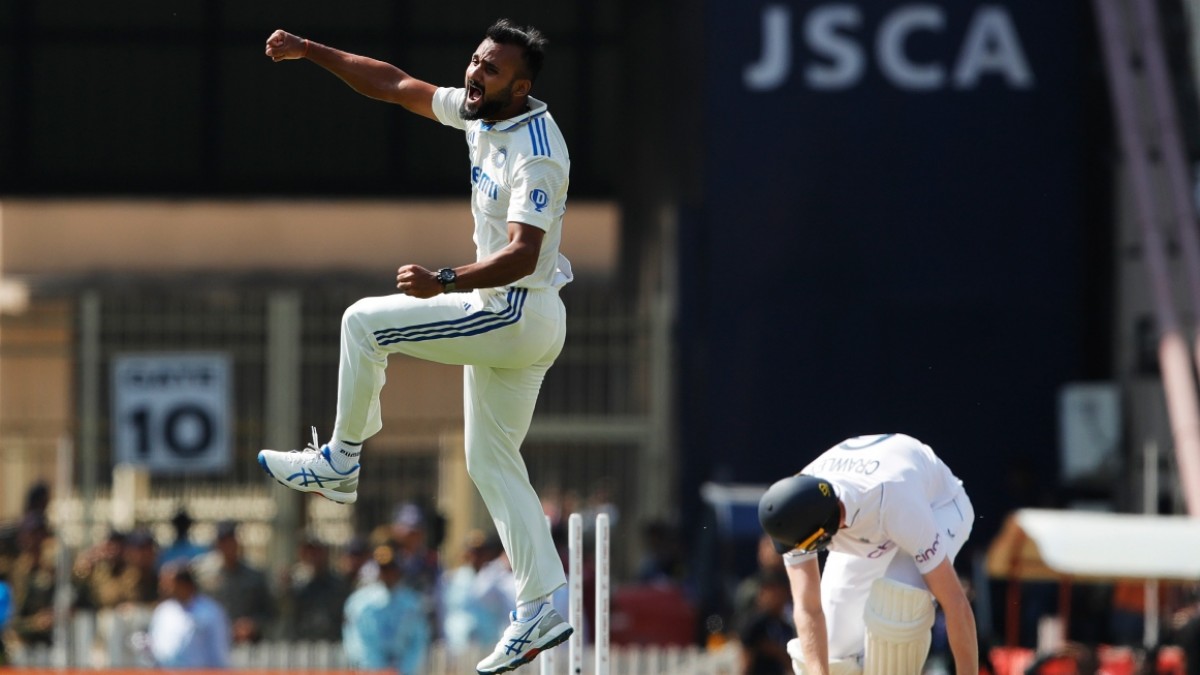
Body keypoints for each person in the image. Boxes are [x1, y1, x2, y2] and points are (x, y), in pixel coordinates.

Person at [259, 17, 574, 674]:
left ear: (520, 87)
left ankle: (340, 462)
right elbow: (397, 86)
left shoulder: (538, 148)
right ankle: (543, 601)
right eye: (476, 60)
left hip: (515, 311)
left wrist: (445, 281)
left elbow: (524, 252)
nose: (475, 73)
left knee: (364, 323)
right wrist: (310, 50)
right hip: (513, 316)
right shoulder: (479, 112)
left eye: (491, 69)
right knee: (490, 461)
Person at [757, 433, 977, 675]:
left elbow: (955, 601)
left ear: (827, 528)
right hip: (872, 524)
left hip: (939, 505)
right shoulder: (797, 511)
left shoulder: (893, 502)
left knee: (898, 606)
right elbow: (808, 607)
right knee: (831, 646)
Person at [343, 544, 430, 675]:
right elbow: (355, 638)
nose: (388, 574)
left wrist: (405, 669)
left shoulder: (412, 603)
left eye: (391, 569)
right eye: (383, 569)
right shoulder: (360, 602)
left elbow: (418, 640)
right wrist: (376, 668)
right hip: (370, 669)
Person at [192, 520, 275, 644]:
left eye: (231, 541)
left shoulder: (255, 575)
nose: (228, 546)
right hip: (210, 640)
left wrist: (253, 624)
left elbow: (269, 612)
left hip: (245, 644)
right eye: (223, 541)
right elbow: (192, 606)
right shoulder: (201, 573)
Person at [147, 563, 231, 668]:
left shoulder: (210, 611)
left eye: (169, 583)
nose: (163, 587)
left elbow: (219, 650)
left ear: (185, 584)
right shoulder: (163, 610)